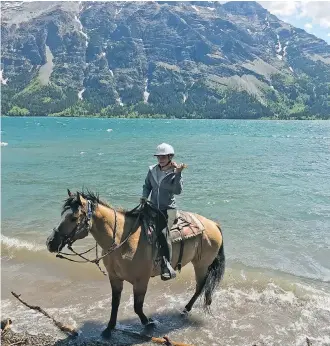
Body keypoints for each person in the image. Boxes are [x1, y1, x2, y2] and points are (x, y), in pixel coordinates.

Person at [140, 143, 185, 281]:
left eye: (163, 156)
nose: (160, 159)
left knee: (162, 233)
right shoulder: (152, 170)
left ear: (170, 157)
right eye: (159, 156)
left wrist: (178, 174)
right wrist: (144, 197)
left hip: (168, 209)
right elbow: (147, 185)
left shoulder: (174, 172)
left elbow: (178, 191)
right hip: (152, 207)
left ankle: (167, 266)